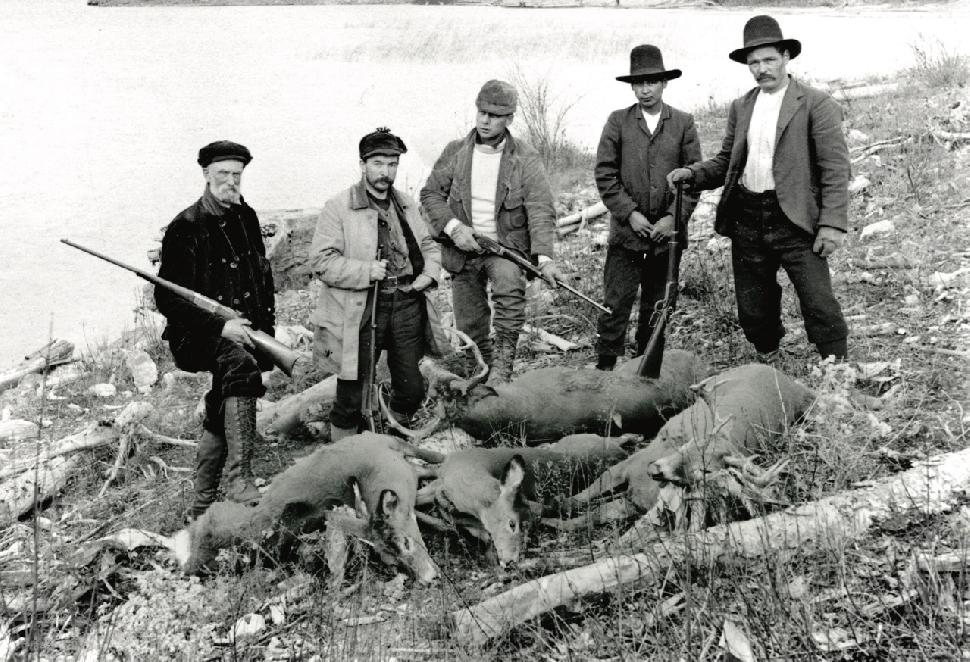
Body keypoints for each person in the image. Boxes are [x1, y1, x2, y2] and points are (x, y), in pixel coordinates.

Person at [668, 15, 850, 361]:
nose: (761, 68)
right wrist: (691, 174)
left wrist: (831, 224)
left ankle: (837, 369)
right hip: (747, 216)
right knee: (754, 307)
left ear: (786, 57)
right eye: (754, 62)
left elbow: (835, 169)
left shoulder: (816, 104)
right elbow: (726, 163)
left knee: (818, 301)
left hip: (795, 218)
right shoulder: (742, 106)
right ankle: (769, 358)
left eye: (769, 59)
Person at [156, 140, 275, 520]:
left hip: (246, 332)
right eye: (222, 174)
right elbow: (168, 300)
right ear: (206, 175)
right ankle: (240, 479)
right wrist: (221, 327)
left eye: (237, 175)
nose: (231, 182)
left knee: (222, 399)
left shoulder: (248, 217)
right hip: (199, 335)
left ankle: (202, 504)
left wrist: (266, 336)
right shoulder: (185, 226)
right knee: (238, 368)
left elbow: (261, 278)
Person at [310, 128, 448, 442]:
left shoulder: (407, 204)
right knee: (350, 395)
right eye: (378, 164)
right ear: (362, 165)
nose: (386, 172)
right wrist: (365, 270)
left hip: (407, 303)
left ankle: (389, 443)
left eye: (392, 164)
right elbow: (320, 261)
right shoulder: (338, 207)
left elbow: (428, 244)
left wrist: (429, 272)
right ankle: (344, 458)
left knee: (412, 388)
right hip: (362, 308)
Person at [420, 80, 560, 385]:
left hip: (504, 248)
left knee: (510, 289)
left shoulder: (525, 157)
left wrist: (545, 257)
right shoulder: (455, 152)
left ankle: (502, 368)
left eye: (494, 115)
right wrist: (454, 228)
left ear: (509, 118)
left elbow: (540, 207)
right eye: (481, 112)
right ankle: (478, 369)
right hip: (462, 249)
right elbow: (430, 194)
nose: (485, 120)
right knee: (469, 318)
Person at [593, 45, 702, 371]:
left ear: (664, 83)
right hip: (627, 236)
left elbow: (694, 178)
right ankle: (605, 370)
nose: (645, 89)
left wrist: (673, 218)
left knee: (658, 305)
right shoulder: (618, 122)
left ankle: (646, 370)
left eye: (652, 82)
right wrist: (630, 214)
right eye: (638, 83)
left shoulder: (683, 123)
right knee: (615, 302)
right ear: (632, 86)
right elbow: (605, 175)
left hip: (666, 240)